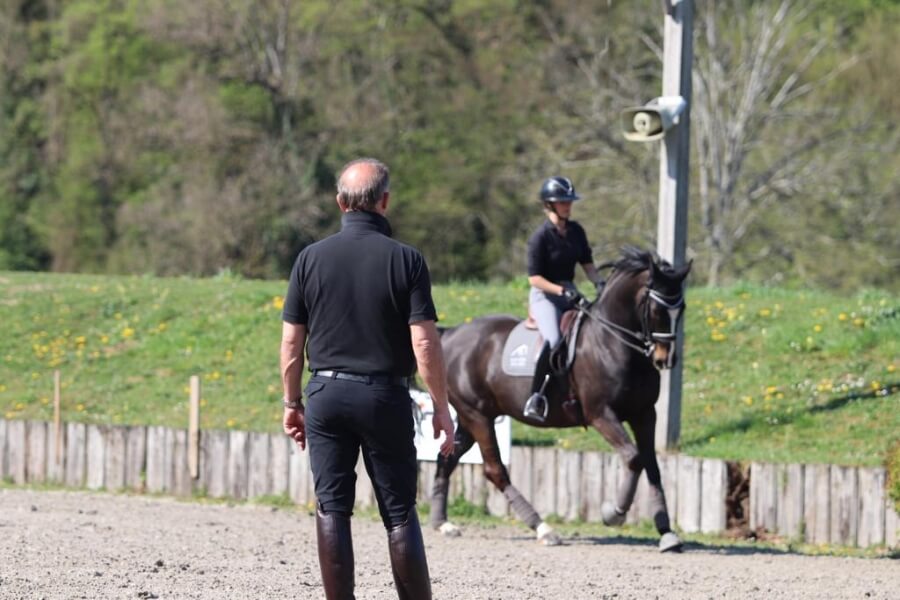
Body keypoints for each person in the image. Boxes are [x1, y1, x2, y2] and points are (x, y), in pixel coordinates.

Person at [280, 157, 455, 600]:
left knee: (332, 507)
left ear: (340, 202)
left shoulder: (308, 259)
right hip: (383, 397)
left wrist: (292, 402)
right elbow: (425, 343)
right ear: (385, 201)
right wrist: (441, 406)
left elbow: (291, 343)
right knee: (399, 512)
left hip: (326, 395)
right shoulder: (407, 260)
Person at [524, 176, 605, 421]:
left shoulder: (576, 231)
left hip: (570, 291)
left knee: (591, 332)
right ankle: (535, 397)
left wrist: (600, 284)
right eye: (562, 202)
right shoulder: (540, 237)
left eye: (569, 201)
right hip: (545, 295)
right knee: (554, 339)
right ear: (549, 204)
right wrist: (560, 291)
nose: (568, 206)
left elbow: (587, 265)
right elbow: (534, 279)